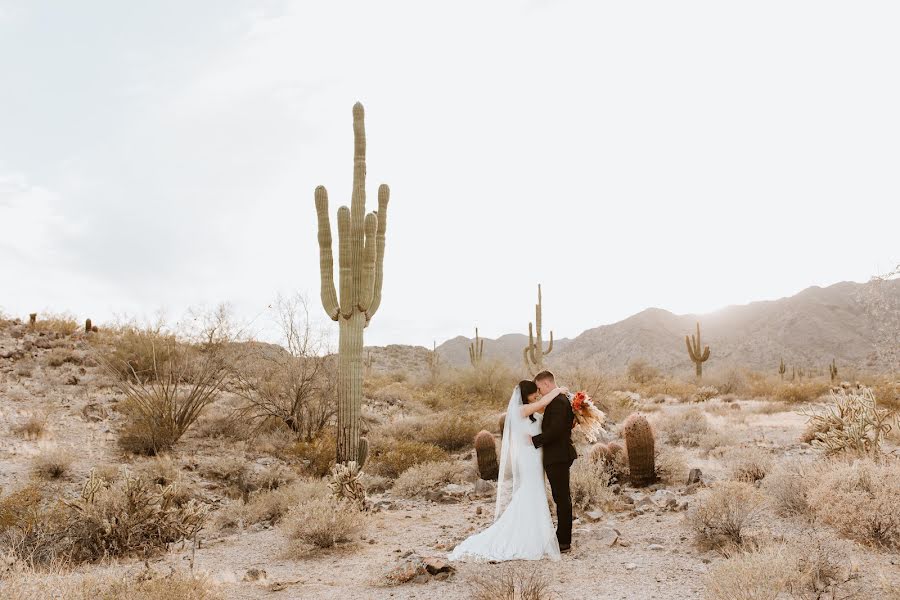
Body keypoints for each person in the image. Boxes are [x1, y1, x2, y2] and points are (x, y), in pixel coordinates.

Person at [447, 379, 567, 562]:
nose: (537, 395)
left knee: (538, 493)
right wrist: (559, 390)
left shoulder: (533, 411)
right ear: (526, 394)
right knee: (532, 492)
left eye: (538, 391)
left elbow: (551, 416)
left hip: (537, 457)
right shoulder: (519, 410)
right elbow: (544, 402)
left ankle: (535, 533)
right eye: (534, 392)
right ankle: (527, 536)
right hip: (529, 459)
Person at [529, 370, 577, 553]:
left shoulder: (558, 401)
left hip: (558, 456)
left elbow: (555, 430)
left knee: (562, 498)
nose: (540, 392)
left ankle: (564, 541)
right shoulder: (560, 399)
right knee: (561, 497)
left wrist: (534, 440)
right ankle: (562, 537)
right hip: (559, 455)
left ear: (547, 384)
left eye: (540, 387)